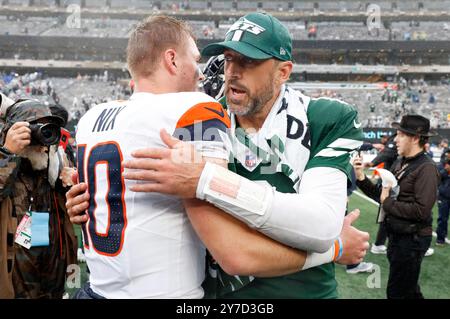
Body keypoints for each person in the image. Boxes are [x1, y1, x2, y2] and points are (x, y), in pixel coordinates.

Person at [67, 13, 369, 298]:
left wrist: (208, 180)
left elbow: (320, 225)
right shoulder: (194, 117)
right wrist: (94, 199)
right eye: (228, 59)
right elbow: (236, 254)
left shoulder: (326, 117)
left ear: (283, 71)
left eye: (248, 61)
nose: (232, 72)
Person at [354, 114, 440, 299]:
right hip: (398, 237)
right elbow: (382, 194)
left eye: (400, 135)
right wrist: (361, 177)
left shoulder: (427, 168)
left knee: (398, 292)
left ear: (415, 138)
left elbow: (421, 210)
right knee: (408, 290)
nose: (396, 140)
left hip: (412, 240)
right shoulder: (401, 163)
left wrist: (387, 202)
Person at [0, 99, 77, 299]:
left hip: (50, 271)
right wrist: (8, 152)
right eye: (35, 127)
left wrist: (70, 182)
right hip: (13, 274)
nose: (42, 138)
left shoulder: (52, 163)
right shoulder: (6, 159)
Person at [436, 158, 450, 245]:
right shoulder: (442, 166)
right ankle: (440, 239)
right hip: (444, 198)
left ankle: (444, 236)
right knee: (442, 219)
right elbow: (437, 178)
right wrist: (445, 170)